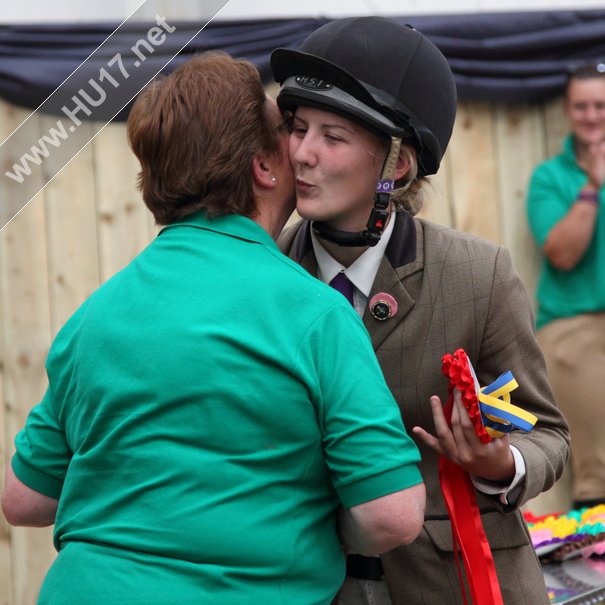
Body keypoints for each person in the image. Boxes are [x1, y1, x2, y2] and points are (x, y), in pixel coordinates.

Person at [1, 52, 426, 605]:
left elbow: (24, 499)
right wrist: (314, 529)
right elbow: (392, 515)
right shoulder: (314, 315)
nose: (299, 150)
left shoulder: (94, 316)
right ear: (264, 169)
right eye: (286, 134)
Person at [272, 16, 570, 605]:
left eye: (332, 137)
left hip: (449, 584)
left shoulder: (478, 275)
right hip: (308, 584)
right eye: (297, 127)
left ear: (396, 166)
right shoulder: (266, 274)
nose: (301, 154)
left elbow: (547, 434)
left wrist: (496, 460)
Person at [527, 61, 605, 510]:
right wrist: (592, 187)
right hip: (575, 329)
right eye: (582, 106)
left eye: (600, 105)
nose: (591, 115)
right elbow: (562, 253)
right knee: (596, 473)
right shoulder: (550, 178)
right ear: (567, 110)